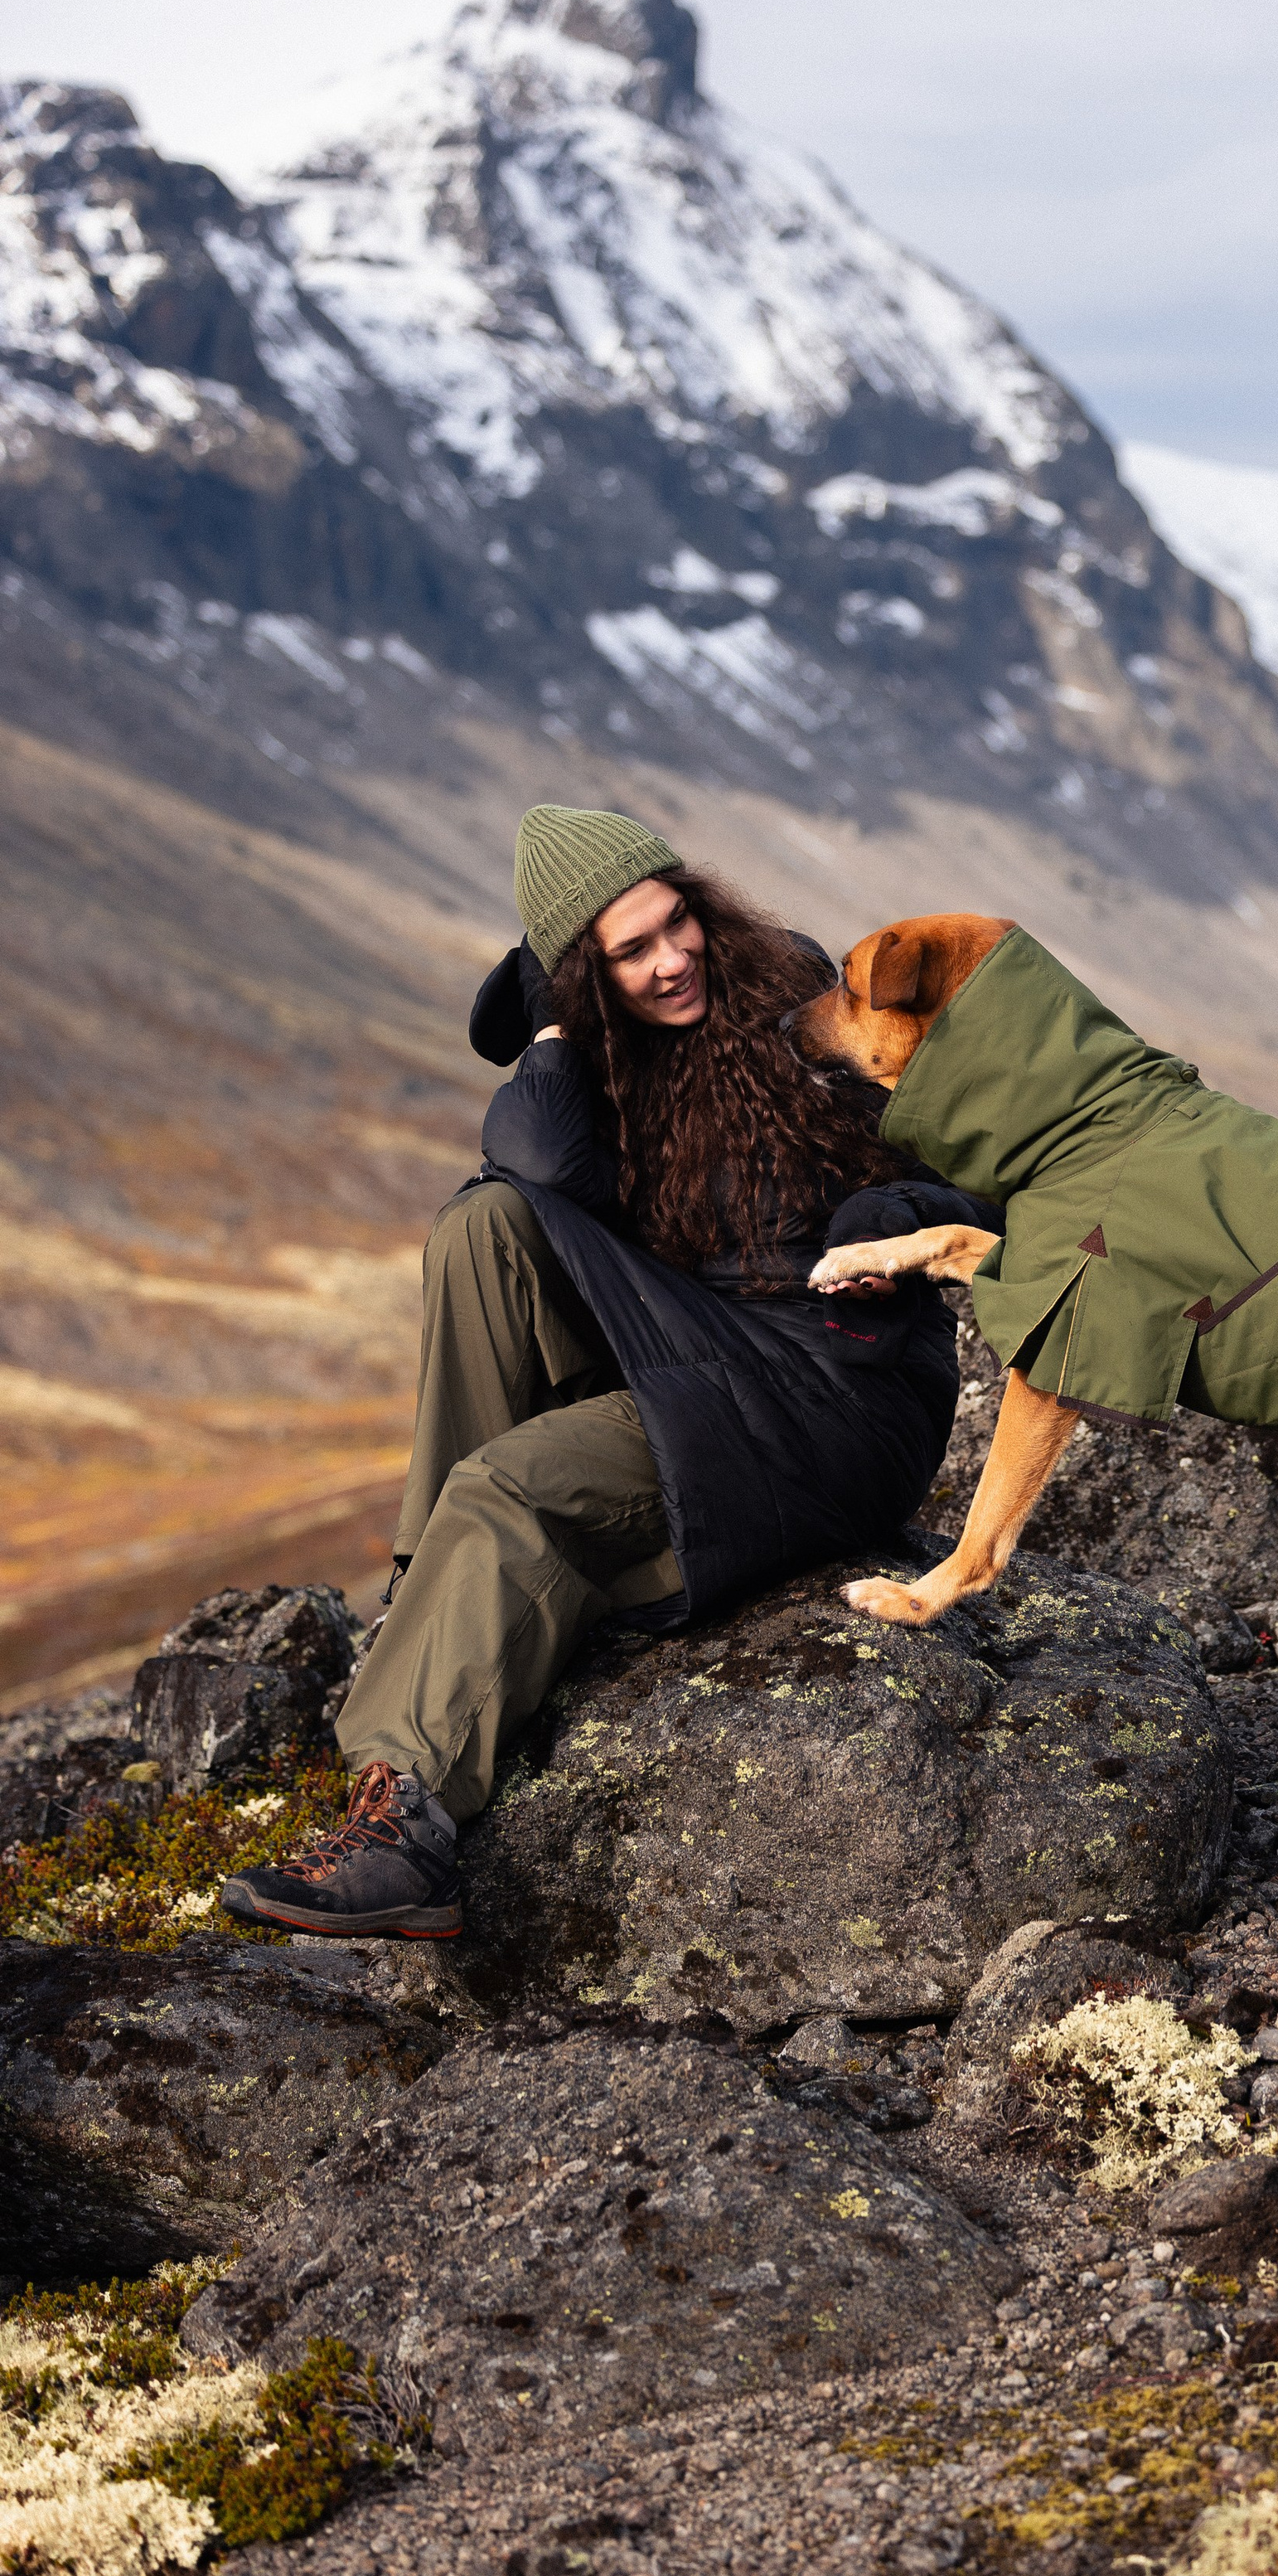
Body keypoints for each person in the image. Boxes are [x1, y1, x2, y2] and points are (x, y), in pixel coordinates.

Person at [223, 806, 1000, 1939]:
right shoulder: (599, 1056)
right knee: (483, 1227)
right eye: (629, 952)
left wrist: (896, 1211)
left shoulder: (800, 1007)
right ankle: (434, 1598)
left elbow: (981, 1176)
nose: (672, 958)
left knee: (509, 1489)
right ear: (585, 976)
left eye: (675, 923)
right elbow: (533, 1163)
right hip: (710, 1360)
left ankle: (410, 1837)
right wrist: (553, 1028)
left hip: (839, 1388)